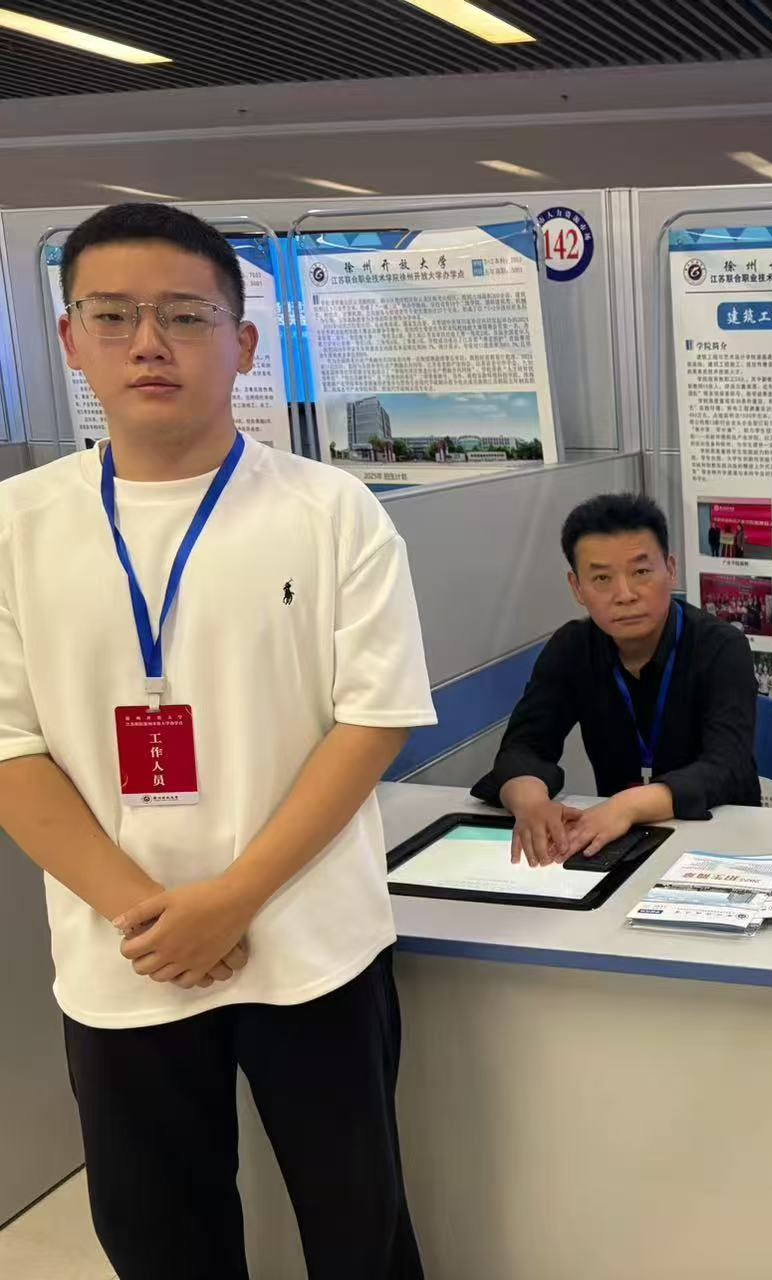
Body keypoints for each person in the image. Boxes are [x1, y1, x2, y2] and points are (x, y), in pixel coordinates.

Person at [0, 203, 436, 1277]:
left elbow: (373, 718)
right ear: (70, 340)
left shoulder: (332, 510)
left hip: (311, 944)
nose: (148, 343)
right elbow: (8, 748)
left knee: (360, 1228)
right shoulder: (17, 524)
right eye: (113, 314)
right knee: (159, 1237)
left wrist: (231, 900)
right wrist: (150, 915)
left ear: (242, 344)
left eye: (185, 315)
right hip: (122, 954)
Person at [473, 492, 761, 864]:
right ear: (577, 588)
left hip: (721, 841)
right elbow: (523, 747)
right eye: (602, 578)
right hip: (620, 844)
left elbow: (726, 768)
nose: (624, 595)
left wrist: (628, 806)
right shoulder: (573, 648)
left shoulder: (720, 646)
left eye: (641, 572)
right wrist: (531, 803)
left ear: (670, 570)